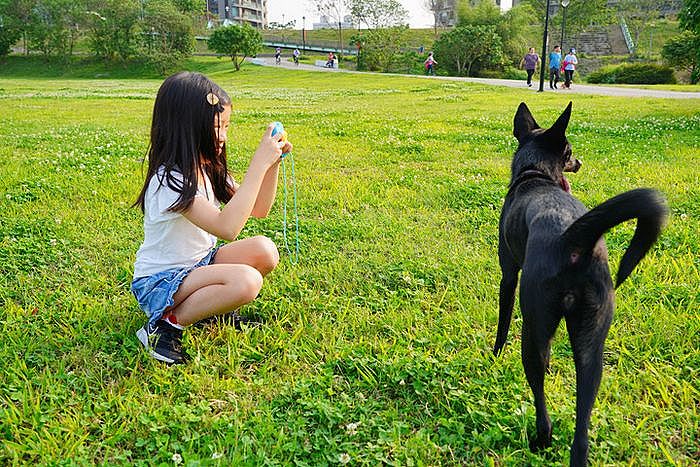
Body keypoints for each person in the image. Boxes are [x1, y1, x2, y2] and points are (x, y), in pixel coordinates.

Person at [131, 72, 291, 364]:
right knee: (247, 281)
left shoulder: (207, 167)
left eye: (227, 126)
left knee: (265, 250)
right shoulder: (169, 179)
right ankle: (163, 328)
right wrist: (258, 162)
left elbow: (259, 209)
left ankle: (210, 310)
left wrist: (272, 165)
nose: (223, 136)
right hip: (161, 282)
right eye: (218, 126)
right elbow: (227, 228)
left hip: (198, 265)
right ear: (187, 126)